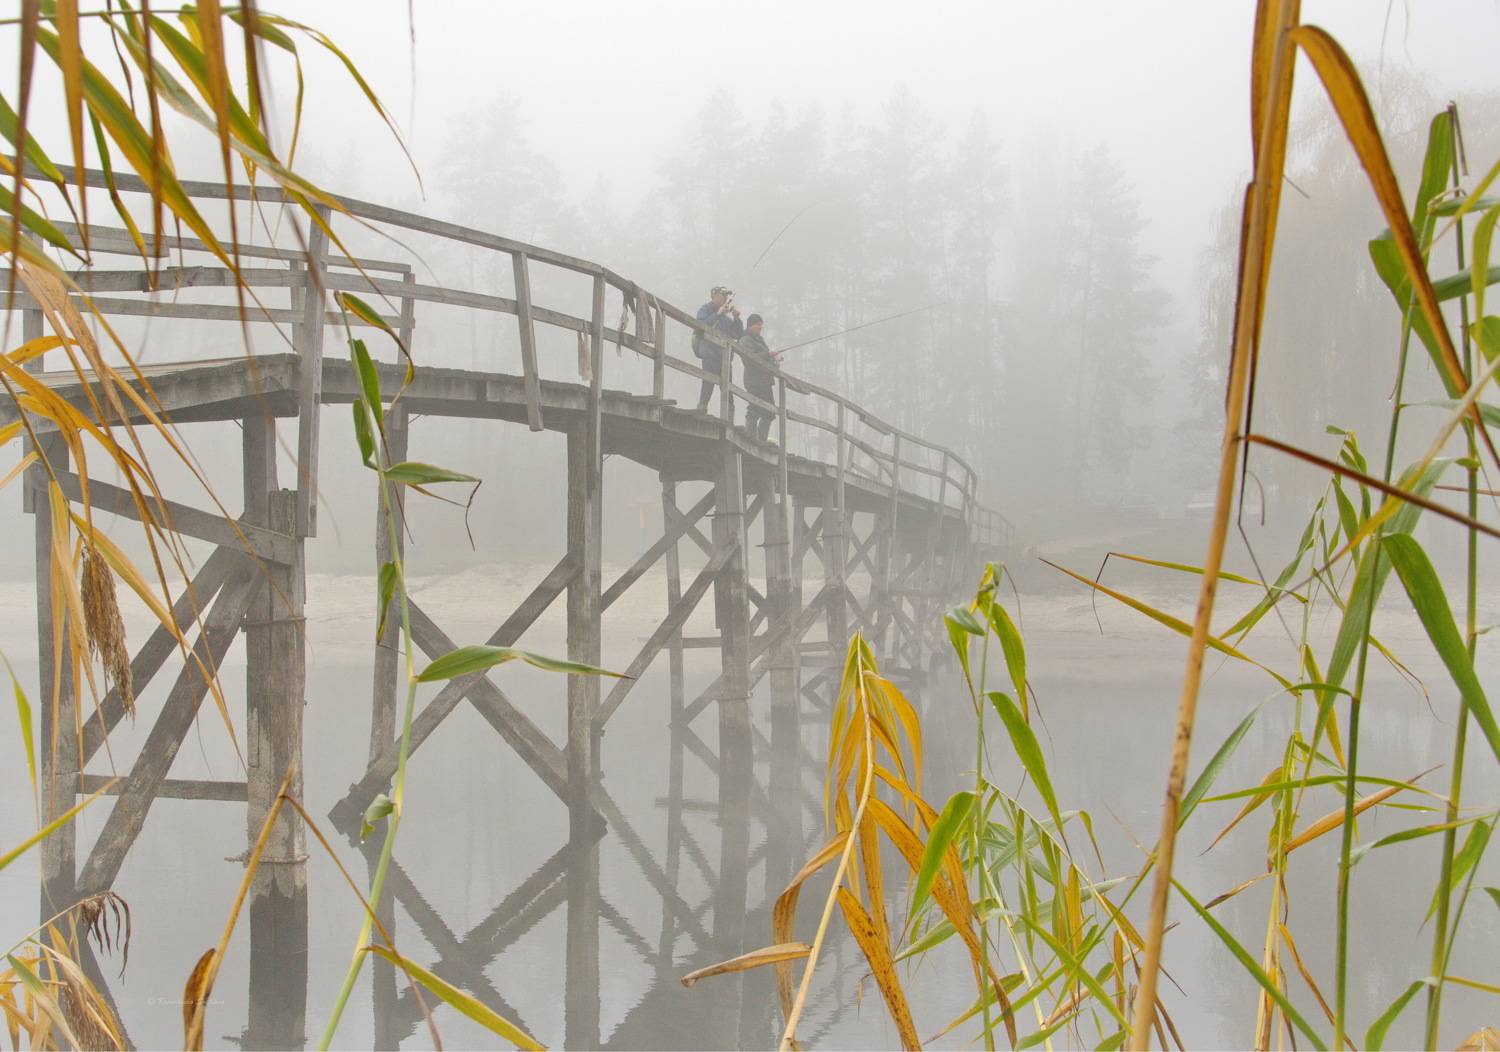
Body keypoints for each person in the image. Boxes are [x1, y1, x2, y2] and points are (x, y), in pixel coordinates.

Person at [693, 285, 743, 414]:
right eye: (722, 296)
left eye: (726, 297)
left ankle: (729, 417)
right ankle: (701, 410)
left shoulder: (726, 319)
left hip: (724, 358)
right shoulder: (705, 309)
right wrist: (717, 314)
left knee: (728, 390)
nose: (724, 299)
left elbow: (738, 335)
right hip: (709, 354)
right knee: (708, 384)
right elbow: (700, 326)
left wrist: (737, 318)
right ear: (713, 296)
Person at [740, 313, 781, 443]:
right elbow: (750, 358)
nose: (760, 327)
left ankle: (760, 441)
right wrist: (768, 354)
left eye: (761, 325)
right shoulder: (745, 339)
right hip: (754, 380)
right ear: (751, 325)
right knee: (754, 409)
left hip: (765, 381)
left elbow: (765, 360)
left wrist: (774, 363)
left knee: (769, 412)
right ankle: (751, 439)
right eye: (758, 324)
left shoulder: (759, 340)